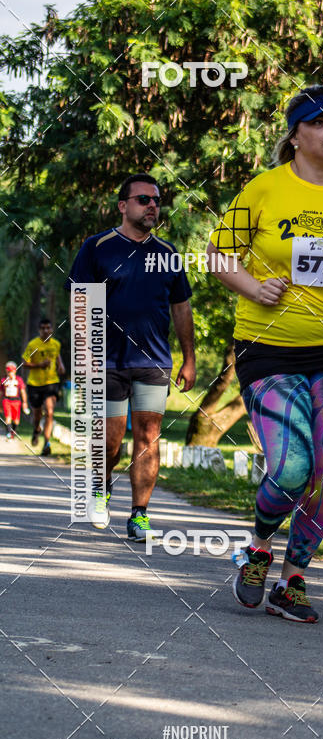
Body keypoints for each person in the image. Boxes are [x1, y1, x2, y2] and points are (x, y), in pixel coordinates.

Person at [208, 85, 323, 623]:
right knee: (291, 467)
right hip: (269, 350)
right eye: (319, 122)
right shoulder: (264, 190)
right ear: (294, 137)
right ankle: (259, 547)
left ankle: (294, 581)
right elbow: (218, 256)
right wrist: (252, 287)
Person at [65, 172, 196, 540]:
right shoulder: (97, 247)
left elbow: (181, 307)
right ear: (123, 206)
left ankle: (139, 515)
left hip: (154, 361)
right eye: (143, 199)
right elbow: (80, 303)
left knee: (149, 436)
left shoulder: (168, 253)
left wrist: (189, 358)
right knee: (110, 440)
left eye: (156, 199)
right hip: (105, 361)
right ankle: (101, 486)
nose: (153, 205)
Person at [22, 318, 65, 455]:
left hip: (51, 382)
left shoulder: (56, 344)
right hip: (34, 384)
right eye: (43, 328)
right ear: (39, 330)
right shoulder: (33, 344)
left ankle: (46, 443)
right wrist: (39, 365)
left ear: (52, 329)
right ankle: (36, 429)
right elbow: (24, 363)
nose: (46, 331)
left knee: (50, 412)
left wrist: (61, 366)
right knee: (37, 415)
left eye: (48, 328)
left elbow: (57, 357)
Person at [1, 362, 29, 439]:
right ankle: (9, 432)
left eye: (11, 370)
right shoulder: (3, 380)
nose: (10, 372)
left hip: (16, 401)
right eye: (8, 371)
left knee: (16, 420)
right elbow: (1, 392)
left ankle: (13, 431)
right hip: (6, 400)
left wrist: (24, 402)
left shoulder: (19, 380)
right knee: (8, 417)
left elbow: (23, 392)